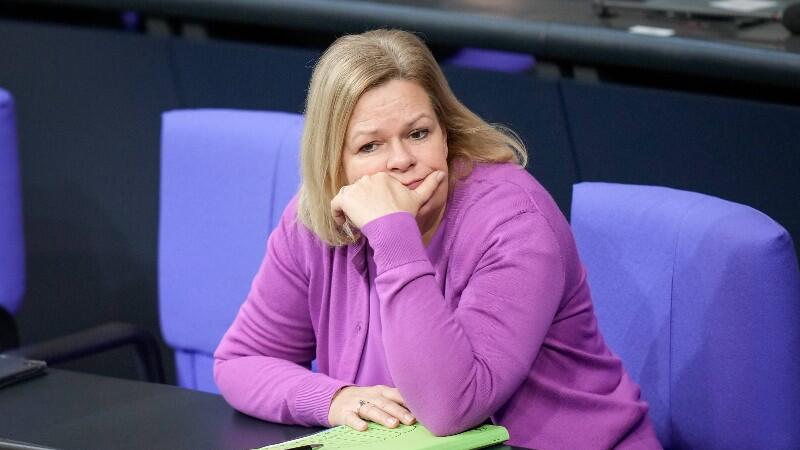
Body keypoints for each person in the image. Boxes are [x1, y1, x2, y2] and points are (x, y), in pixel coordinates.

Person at [214, 29, 660, 449]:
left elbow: (452, 408)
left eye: (418, 133)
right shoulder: (314, 221)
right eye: (370, 146)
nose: (402, 160)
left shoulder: (515, 223)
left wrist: (393, 237)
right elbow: (241, 362)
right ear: (334, 161)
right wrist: (334, 398)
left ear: (445, 133)